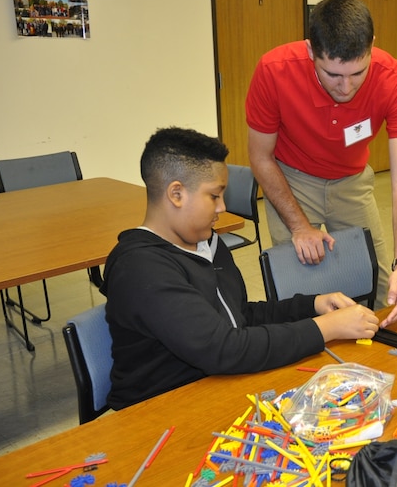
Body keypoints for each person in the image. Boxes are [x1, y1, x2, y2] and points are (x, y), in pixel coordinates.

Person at [100, 127, 379, 410]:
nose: (222, 207)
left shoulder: (207, 243)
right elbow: (224, 349)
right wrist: (325, 328)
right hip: (159, 411)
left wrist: (313, 305)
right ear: (176, 194)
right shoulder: (141, 269)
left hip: (216, 389)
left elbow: (240, 315)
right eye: (214, 196)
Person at [245, 0, 397, 328]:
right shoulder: (274, 70)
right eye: (333, 75)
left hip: (352, 181)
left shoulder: (394, 80)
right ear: (311, 50)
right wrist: (299, 226)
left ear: (372, 46)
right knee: (297, 291)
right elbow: (260, 156)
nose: (347, 86)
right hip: (291, 179)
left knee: (383, 284)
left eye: (357, 72)